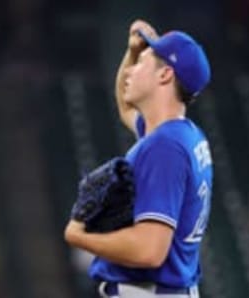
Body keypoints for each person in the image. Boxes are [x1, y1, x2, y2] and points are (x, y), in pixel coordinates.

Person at [64, 19, 213, 298]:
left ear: (165, 75)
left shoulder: (165, 147)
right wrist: (134, 51)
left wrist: (80, 236)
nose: (130, 70)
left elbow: (149, 251)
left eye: (142, 62)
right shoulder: (181, 134)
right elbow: (125, 105)